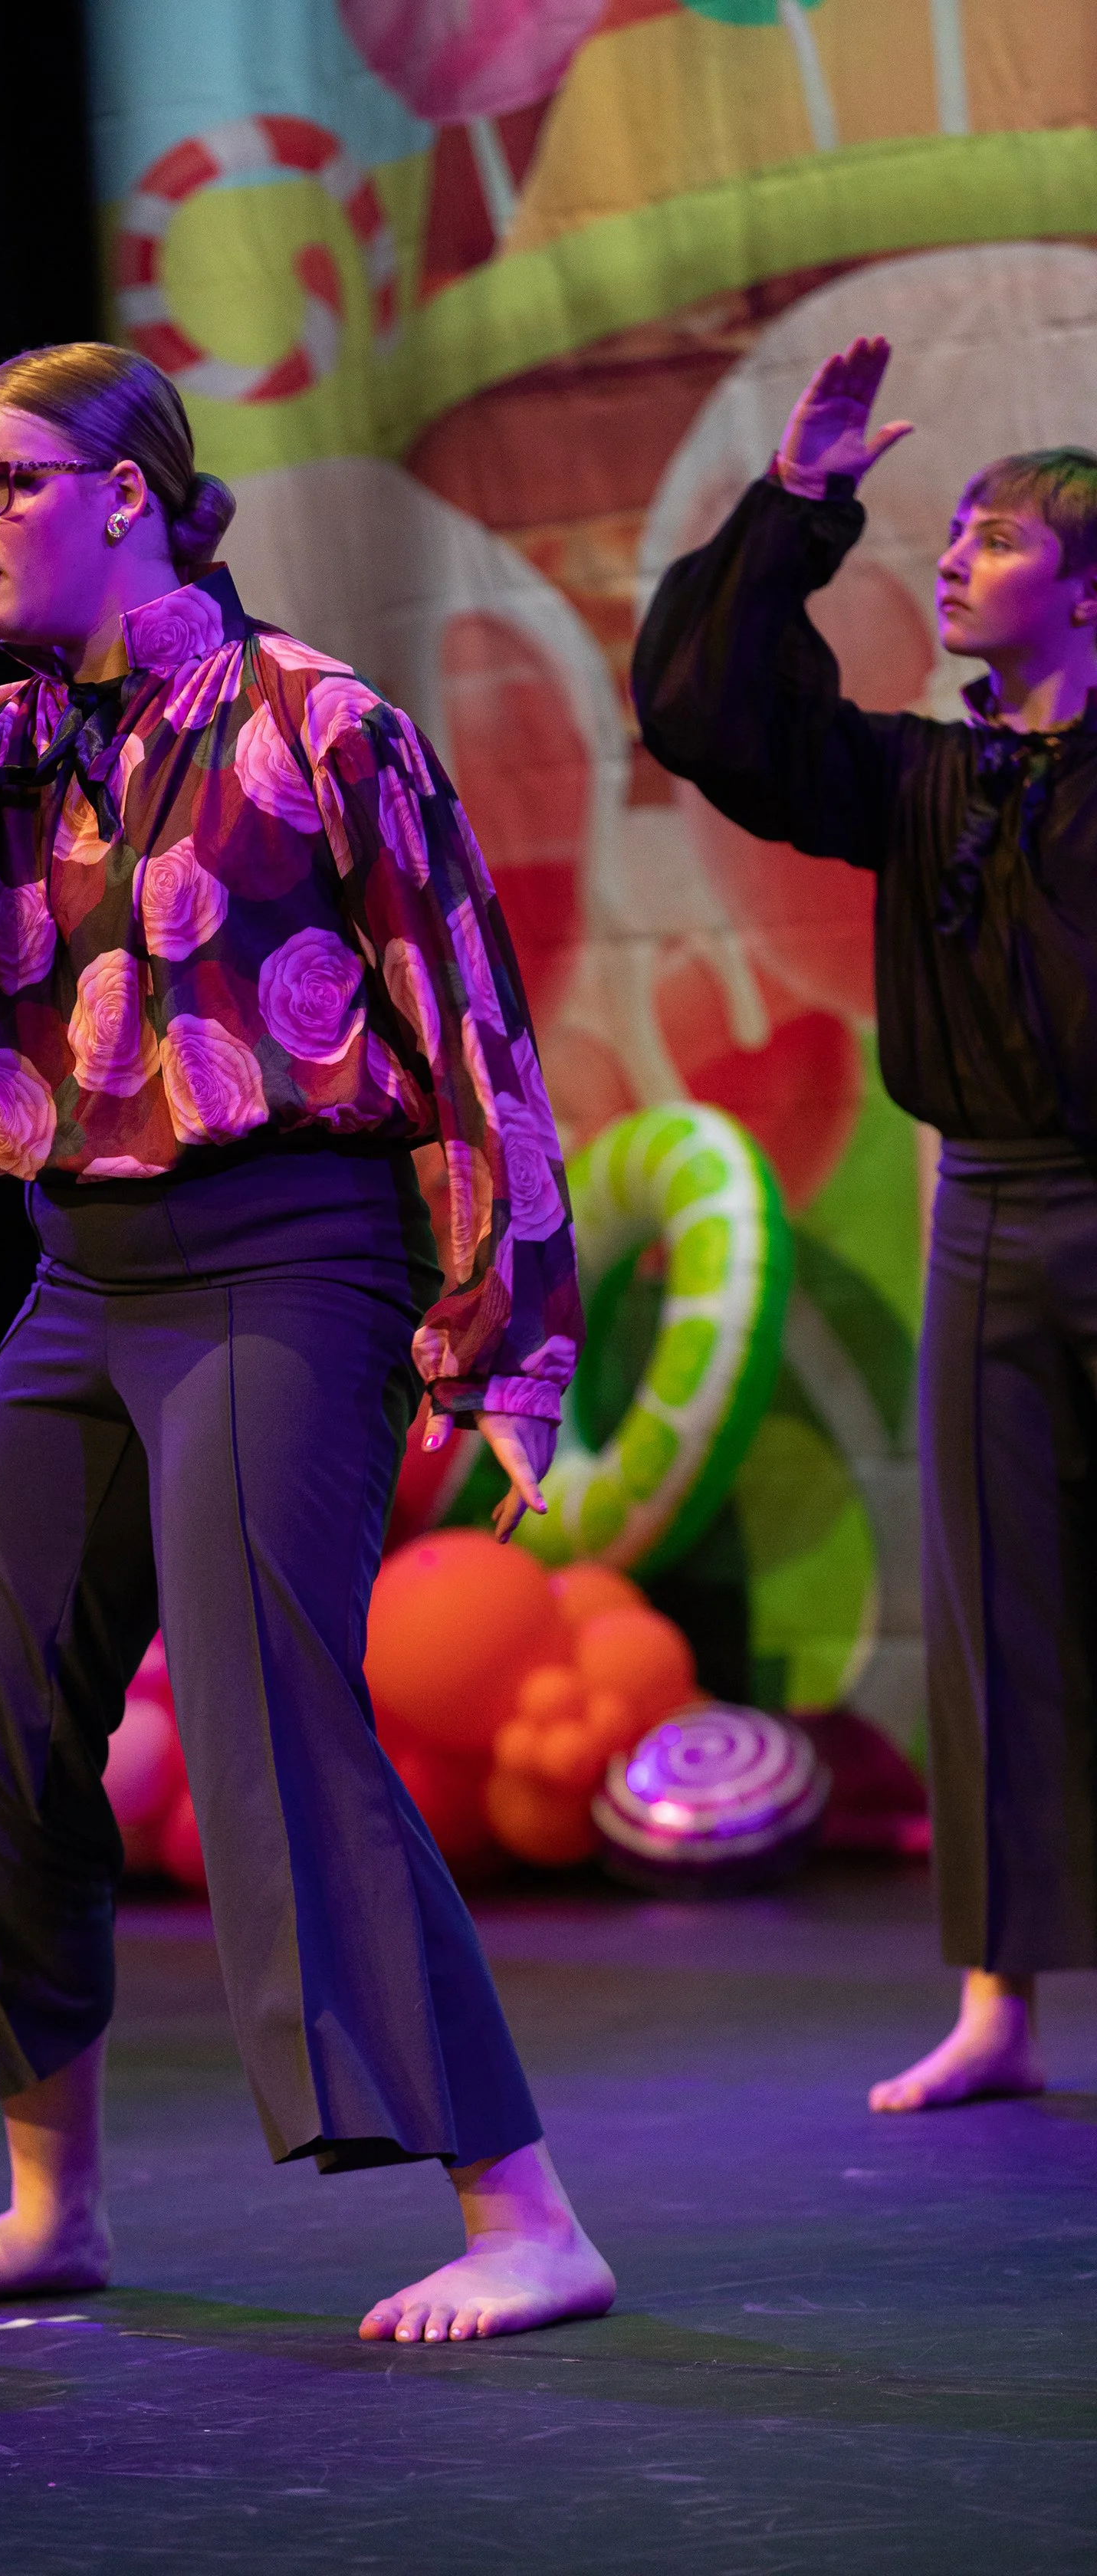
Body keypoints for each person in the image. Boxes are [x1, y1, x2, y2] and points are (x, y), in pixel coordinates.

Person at [0, 340, 614, 2342]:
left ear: (130, 495)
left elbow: (470, 1031)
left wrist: (505, 1336)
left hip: (293, 1259)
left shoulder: (319, 725)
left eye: (4, 483)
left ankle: (526, 2209)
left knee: (272, 1718)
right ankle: (54, 2204)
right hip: (78, 1274)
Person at [632, 337, 1097, 2113]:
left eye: (995, 537)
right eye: (951, 530)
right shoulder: (924, 782)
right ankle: (998, 2002)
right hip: (986, 1213)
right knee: (993, 1615)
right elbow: (703, 709)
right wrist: (797, 502)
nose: (956, 557)